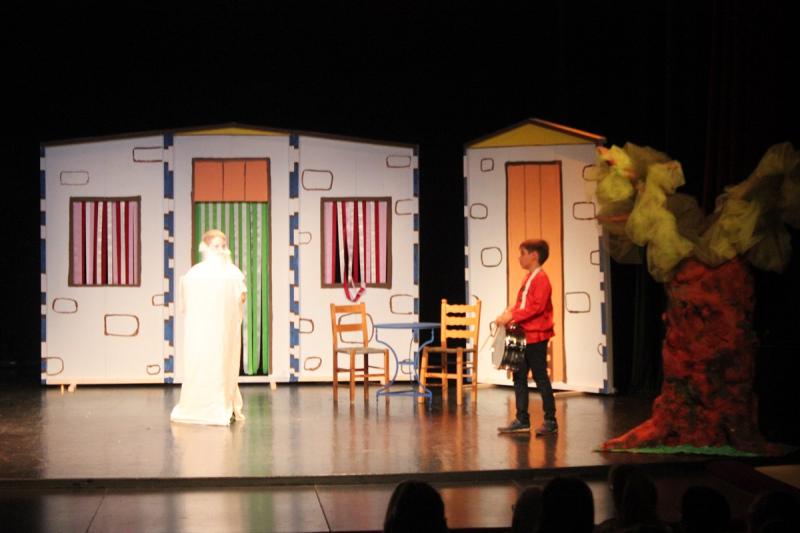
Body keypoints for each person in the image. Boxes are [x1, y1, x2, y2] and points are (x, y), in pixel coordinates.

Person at [170, 229, 247, 426]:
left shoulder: (232, 273)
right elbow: (187, 301)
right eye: (215, 246)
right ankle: (199, 406)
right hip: (202, 332)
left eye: (223, 246)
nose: (220, 250)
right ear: (205, 247)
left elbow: (241, 297)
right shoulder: (196, 273)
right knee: (202, 364)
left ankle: (221, 404)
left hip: (222, 332)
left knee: (221, 365)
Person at [496, 239, 557, 435]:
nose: (519, 258)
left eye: (522, 253)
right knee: (519, 376)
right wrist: (508, 312)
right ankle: (522, 419)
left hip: (536, 336)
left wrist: (511, 316)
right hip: (524, 335)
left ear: (534, 256)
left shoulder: (542, 279)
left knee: (540, 377)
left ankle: (550, 420)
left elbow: (536, 307)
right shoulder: (528, 278)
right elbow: (522, 303)